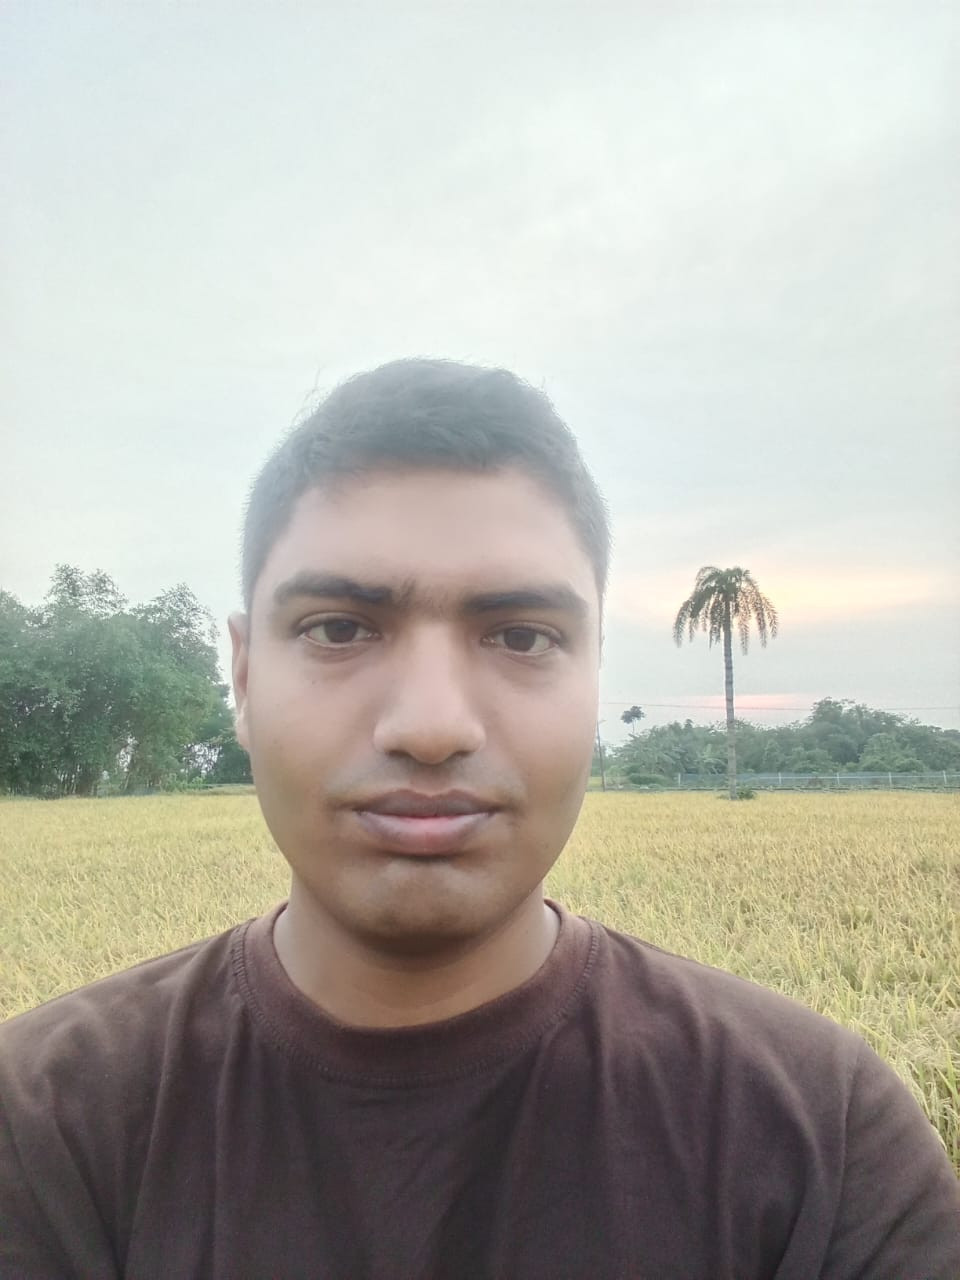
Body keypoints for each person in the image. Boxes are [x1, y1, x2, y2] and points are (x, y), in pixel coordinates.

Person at [1, 358, 957, 1279]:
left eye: (522, 636)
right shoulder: (43, 1124)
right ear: (245, 678)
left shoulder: (817, 1137)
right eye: (339, 628)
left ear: (594, 679)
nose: (431, 727)